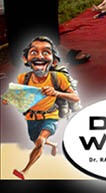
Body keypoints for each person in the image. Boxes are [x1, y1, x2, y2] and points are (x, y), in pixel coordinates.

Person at [3, 37, 78, 179]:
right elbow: (15, 94)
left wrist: (56, 93)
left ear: (54, 61)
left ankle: (24, 171)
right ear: (25, 59)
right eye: (33, 52)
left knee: (39, 141)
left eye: (46, 52)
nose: (39, 56)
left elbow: (75, 97)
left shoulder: (58, 78)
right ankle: (53, 144)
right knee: (36, 140)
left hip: (50, 116)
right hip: (31, 118)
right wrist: (7, 99)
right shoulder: (23, 78)